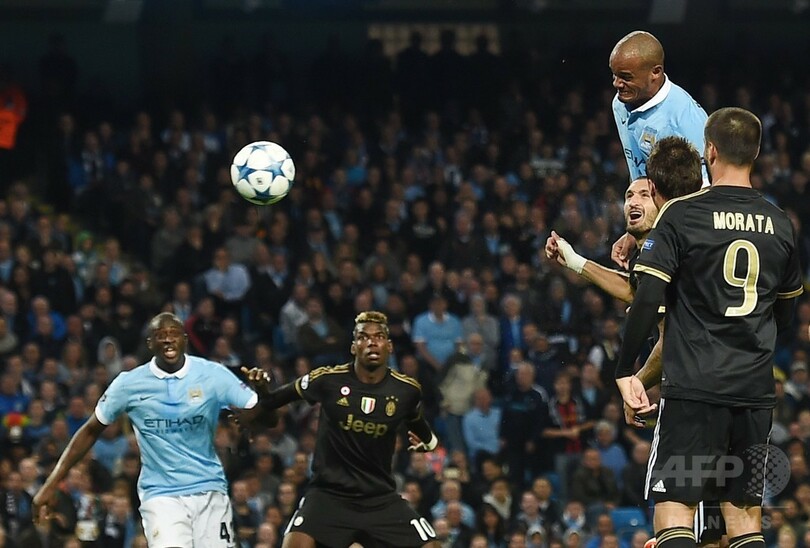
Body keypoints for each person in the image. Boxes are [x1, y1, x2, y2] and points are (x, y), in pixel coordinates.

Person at [616, 108, 804, 548]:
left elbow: (647, 294)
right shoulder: (780, 223)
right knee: (743, 519)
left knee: (674, 511)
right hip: (754, 395)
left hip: (695, 392)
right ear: (755, 153)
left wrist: (625, 370)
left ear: (710, 151)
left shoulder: (682, 215)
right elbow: (786, 316)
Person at [33, 312, 260, 547]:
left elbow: (264, 413)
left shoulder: (212, 374)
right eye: (161, 335)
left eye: (174, 334)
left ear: (185, 339)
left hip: (210, 489)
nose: (168, 339)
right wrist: (51, 483)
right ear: (150, 343)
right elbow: (91, 430)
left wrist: (263, 395)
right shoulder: (129, 384)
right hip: (161, 496)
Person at [238, 311, 440, 547]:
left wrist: (430, 443)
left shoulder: (407, 390)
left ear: (389, 346)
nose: (372, 342)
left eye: (378, 336)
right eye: (363, 337)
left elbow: (418, 422)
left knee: (432, 546)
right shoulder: (328, 380)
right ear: (354, 347)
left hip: (379, 498)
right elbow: (273, 400)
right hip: (328, 496)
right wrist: (262, 392)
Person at [609, 30, 708, 268]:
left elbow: (705, 192)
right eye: (614, 75)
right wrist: (636, 231)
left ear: (655, 72)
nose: (617, 84)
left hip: (686, 238)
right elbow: (639, 171)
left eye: (625, 77)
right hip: (658, 230)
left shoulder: (685, 119)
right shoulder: (620, 104)